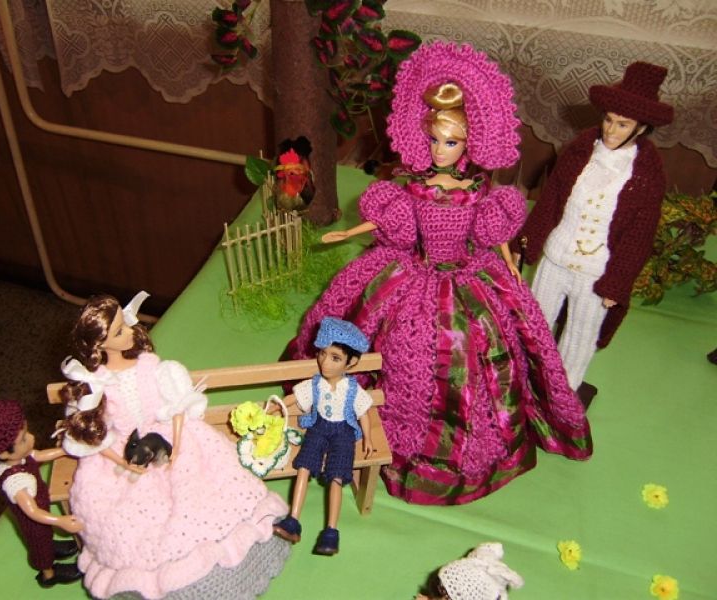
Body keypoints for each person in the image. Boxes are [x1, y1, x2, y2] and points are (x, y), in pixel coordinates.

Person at [287, 42, 592, 506]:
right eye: (434, 140)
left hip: (468, 275)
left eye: (451, 142)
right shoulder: (412, 186)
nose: (440, 150)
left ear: (469, 143)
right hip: (412, 270)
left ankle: (469, 446)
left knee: (479, 351)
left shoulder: (479, 190)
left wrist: (510, 262)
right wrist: (349, 231)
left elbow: (493, 233)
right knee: (378, 331)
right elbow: (391, 223)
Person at [58, 292, 290, 600]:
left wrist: (177, 445)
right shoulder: (95, 386)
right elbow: (98, 439)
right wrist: (123, 462)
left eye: (125, 325)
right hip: (125, 454)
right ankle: (161, 583)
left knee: (205, 494)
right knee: (129, 520)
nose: (130, 331)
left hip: (170, 437)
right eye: (119, 331)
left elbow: (178, 408)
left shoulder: (152, 369)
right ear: (100, 345)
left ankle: (237, 563)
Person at [512, 62, 673, 397]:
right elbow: (551, 200)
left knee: (580, 334)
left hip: (596, 271)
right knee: (534, 321)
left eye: (622, 124)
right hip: (556, 256)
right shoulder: (580, 150)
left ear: (641, 128)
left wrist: (618, 281)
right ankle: (524, 378)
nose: (611, 130)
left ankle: (563, 393)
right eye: (608, 120)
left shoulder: (646, 173)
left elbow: (639, 235)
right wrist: (524, 243)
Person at [0, 397, 84, 588]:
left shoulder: (21, 457)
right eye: (24, 439)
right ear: (3, 454)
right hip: (34, 523)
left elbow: (39, 455)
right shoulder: (15, 481)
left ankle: (52, 546)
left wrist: (66, 450)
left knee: (46, 538)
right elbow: (32, 511)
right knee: (41, 549)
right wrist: (60, 520)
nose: (31, 438)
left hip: (42, 511)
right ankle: (49, 574)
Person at [273, 317, 373, 556]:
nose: (325, 362)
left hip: (343, 433)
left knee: (336, 476)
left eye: (335, 358)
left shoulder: (352, 389)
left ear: (351, 362)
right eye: (322, 354)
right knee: (304, 466)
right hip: (318, 427)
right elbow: (295, 399)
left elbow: (364, 412)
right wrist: (278, 407)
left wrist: (368, 438)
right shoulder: (316, 384)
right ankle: (293, 520)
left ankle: (331, 532)